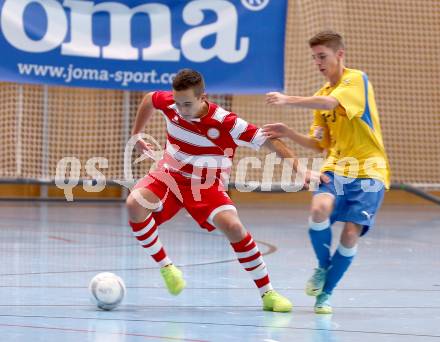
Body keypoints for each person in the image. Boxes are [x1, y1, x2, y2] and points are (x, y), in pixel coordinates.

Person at [126, 68, 317, 312]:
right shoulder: (172, 104)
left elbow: (270, 141)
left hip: (207, 185)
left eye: (187, 104)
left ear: (202, 97)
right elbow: (149, 99)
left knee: (234, 227)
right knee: (134, 204)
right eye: (177, 103)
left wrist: (301, 171)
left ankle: (268, 293)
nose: (181, 110)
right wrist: (136, 134)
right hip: (170, 175)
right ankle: (167, 268)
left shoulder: (227, 122)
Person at [263, 30, 390, 314]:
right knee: (319, 209)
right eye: (315, 58)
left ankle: (326, 295)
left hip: (370, 169)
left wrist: (288, 100)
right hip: (337, 166)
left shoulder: (356, 79)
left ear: (339, 54)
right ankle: (323, 267)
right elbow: (320, 143)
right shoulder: (321, 93)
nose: (318, 62)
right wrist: (288, 132)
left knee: (349, 234)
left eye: (323, 56)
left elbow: (332, 104)